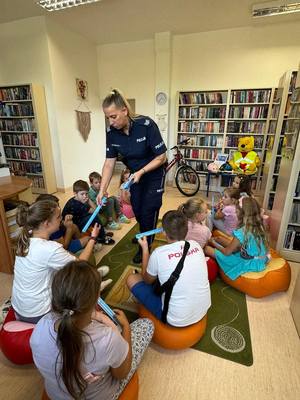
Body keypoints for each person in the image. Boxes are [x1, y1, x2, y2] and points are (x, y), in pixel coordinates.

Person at [30, 260, 154, 400]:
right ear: (96, 300)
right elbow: (121, 374)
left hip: (56, 395)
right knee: (147, 325)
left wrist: (94, 318)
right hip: (100, 395)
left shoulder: (40, 326)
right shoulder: (107, 339)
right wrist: (126, 328)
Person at [11, 200, 110, 324]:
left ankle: (95, 276)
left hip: (19, 308)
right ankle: (94, 286)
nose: (61, 219)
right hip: (38, 313)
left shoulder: (26, 239)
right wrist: (93, 238)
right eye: (58, 217)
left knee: (65, 267)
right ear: (46, 223)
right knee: (78, 272)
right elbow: (80, 264)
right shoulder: (49, 248)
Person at [97, 89, 167, 264]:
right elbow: (109, 163)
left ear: (124, 111)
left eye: (113, 116)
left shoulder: (146, 125)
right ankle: (143, 233)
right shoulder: (111, 132)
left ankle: (146, 246)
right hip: (134, 175)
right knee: (137, 208)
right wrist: (102, 190)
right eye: (107, 117)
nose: (111, 122)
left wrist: (142, 172)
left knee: (148, 210)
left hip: (153, 172)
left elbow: (161, 157)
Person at [126, 210, 211, 327]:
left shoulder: (158, 253)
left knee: (132, 278)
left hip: (175, 319)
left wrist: (145, 249)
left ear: (164, 232)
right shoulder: (195, 245)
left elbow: (146, 280)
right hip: (203, 308)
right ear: (186, 230)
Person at [205, 197, 269, 280]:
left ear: (242, 214)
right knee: (220, 239)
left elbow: (227, 252)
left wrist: (213, 242)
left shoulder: (242, 231)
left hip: (249, 263)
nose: (235, 212)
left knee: (207, 249)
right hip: (261, 259)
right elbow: (241, 246)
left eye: (236, 211)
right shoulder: (260, 225)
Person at [62, 180, 115, 245]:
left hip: (75, 222)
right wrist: (89, 200)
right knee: (94, 217)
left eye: (86, 194)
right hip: (74, 227)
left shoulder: (74, 199)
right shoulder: (77, 205)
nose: (85, 196)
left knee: (92, 216)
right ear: (75, 194)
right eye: (82, 194)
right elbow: (96, 211)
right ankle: (102, 237)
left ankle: (101, 233)